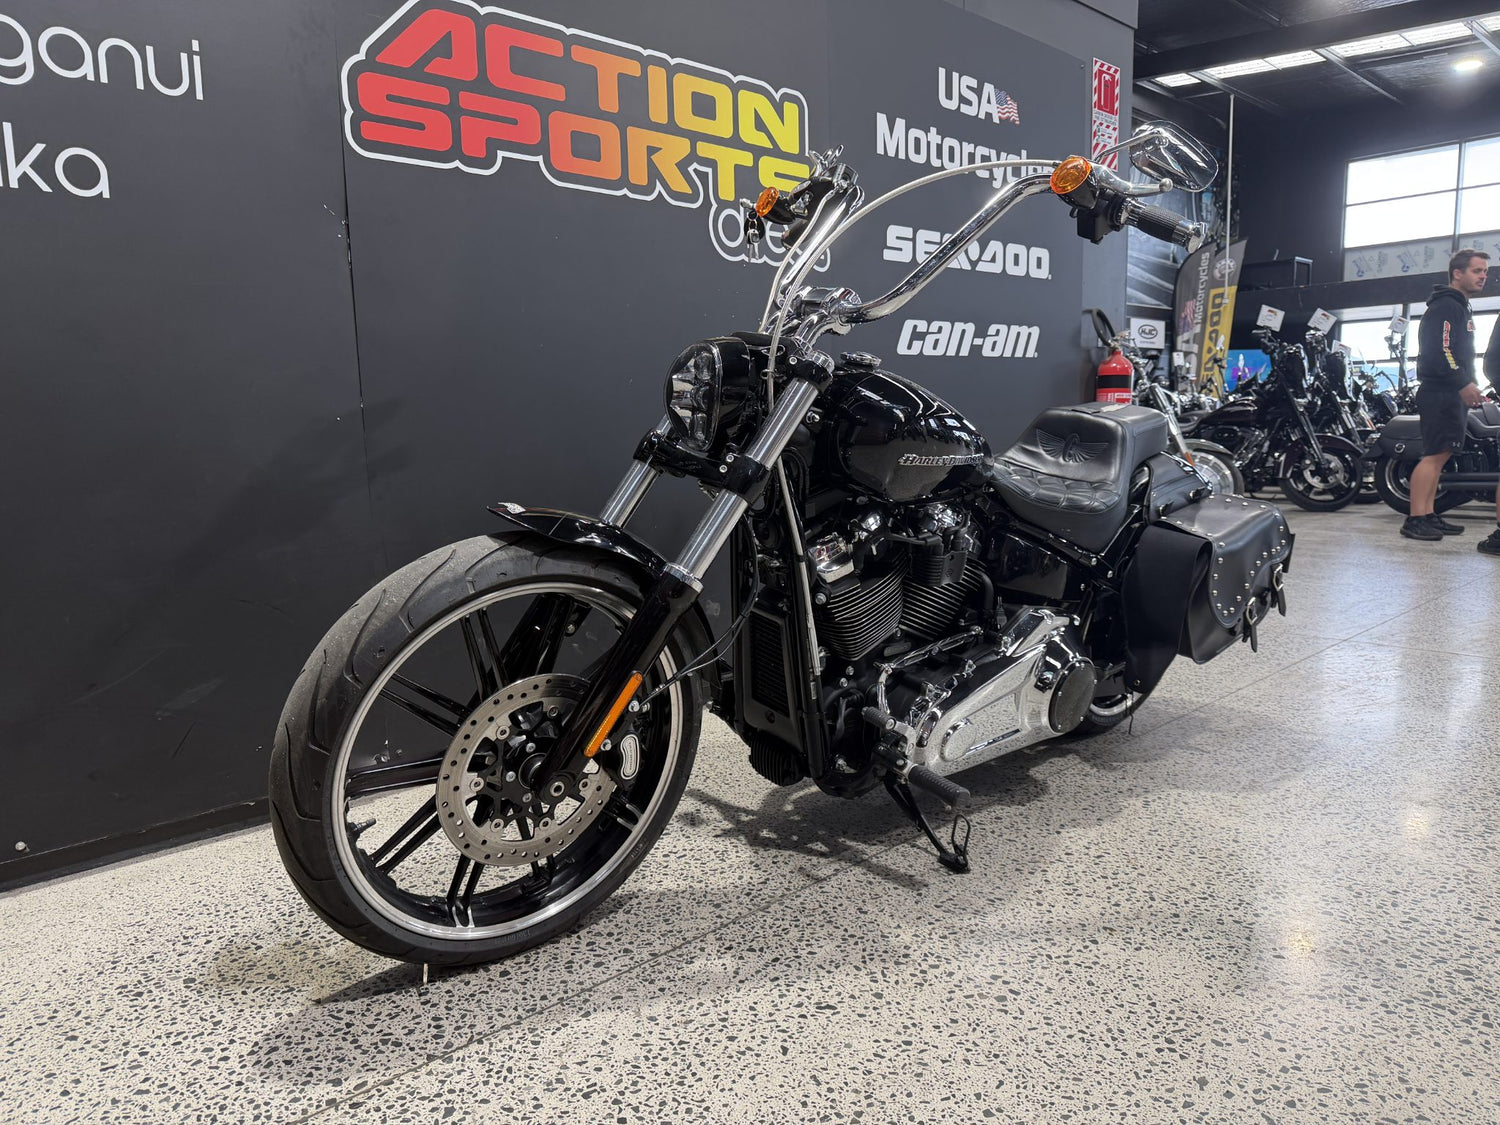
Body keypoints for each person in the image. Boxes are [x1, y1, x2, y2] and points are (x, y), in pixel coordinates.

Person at [1403, 250, 1491, 543]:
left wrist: (1468, 383)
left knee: (1442, 455)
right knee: (1434, 455)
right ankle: (1415, 519)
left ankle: (1427, 514)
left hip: (1450, 391)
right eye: (1477, 271)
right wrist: (1462, 382)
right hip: (1440, 391)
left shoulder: (1460, 306)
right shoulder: (1446, 306)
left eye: (1485, 271)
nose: (1483, 276)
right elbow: (1440, 350)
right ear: (1457, 273)